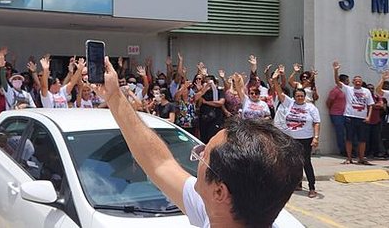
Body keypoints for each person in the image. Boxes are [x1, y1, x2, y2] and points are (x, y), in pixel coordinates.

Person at [92, 56, 304, 227]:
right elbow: (160, 164)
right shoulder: (221, 212)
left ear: (219, 192)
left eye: (204, 155)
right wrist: (115, 97)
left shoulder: (220, 211)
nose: (197, 157)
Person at [272, 69, 320, 198]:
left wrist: (316, 138)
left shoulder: (311, 107)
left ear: (305, 97)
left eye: (302, 96)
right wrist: (275, 79)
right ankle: (297, 184)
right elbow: (279, 91)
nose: (300, 98)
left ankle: (312, 187)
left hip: (306, 139)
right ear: (294, 97)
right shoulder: (289, 103)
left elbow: (316, 123)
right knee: (292, 162)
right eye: (297, 96)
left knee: (306, 162)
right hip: (291, 139)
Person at [332, 61, 374, 165]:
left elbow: (370, 105)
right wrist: (336, 70)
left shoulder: (366, 91)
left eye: (359, 81)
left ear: (361, 82)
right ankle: (349, 158)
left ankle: (361, 158)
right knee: (349, 138)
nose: (357, 82)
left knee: (362, 140)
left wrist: (368, 117)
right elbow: (337, 82)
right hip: (350, 117)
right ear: (353, 82)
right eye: (355, 81)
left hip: (362, 118)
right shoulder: (348, 89)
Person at [326, 74, 349, 156]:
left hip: (346, 114)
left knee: (348, 133)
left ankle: (350, 149)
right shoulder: (335, 90)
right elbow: (328, 102)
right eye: (347, 81)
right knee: (340, 133)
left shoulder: (348, 90)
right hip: (337, 114)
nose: (348, 82)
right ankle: (342, 150)